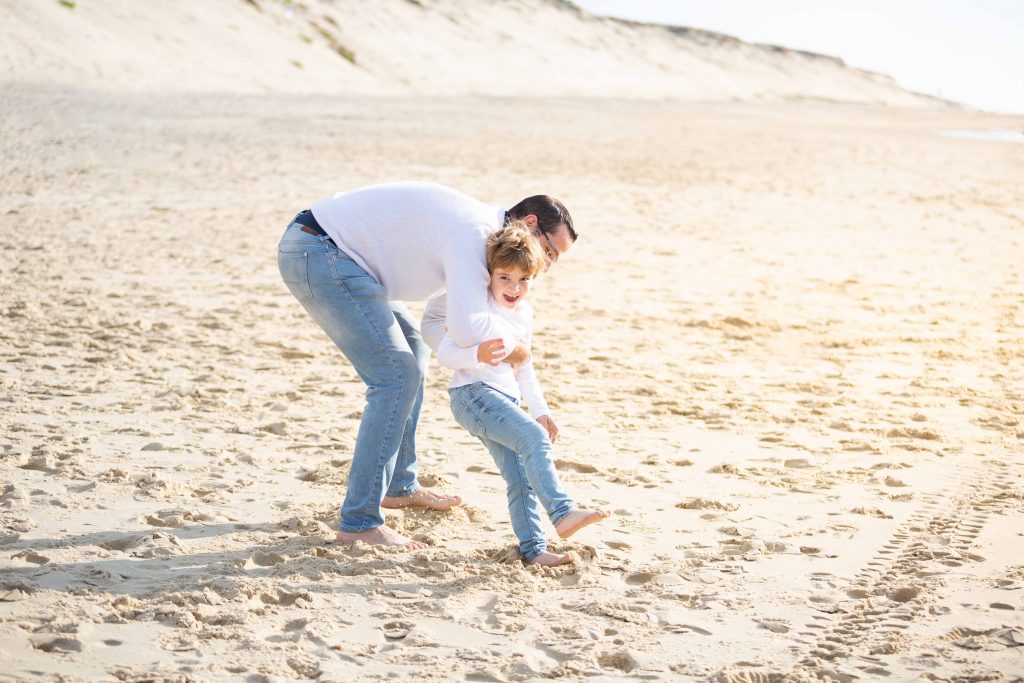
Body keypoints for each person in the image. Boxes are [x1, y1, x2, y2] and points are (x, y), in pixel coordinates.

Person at [276, 182, 577, 549]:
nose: (546, 265)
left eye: (554, 260)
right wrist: (517, 350)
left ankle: (399, 484)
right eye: (549, 251)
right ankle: (359, 522)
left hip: (337, 255)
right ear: (529, 223)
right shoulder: (476, 234)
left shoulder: (486, 236)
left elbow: (439, 324)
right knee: (396, 376)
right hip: (321, 251)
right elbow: (466, 328)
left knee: (413, 349)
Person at [437, 225, 611, 566]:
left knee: (522, 478)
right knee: (534, 439)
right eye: (504, 278)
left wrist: (541, 410)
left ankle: (534, 551)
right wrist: (477, 356)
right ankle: (563, 512)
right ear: (489, 275)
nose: (514, 288)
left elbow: (524, 366)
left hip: (504, 399)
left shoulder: (524, 314)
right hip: (472, 394)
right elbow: (445, 353)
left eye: (523, 280)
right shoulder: (478, 306)